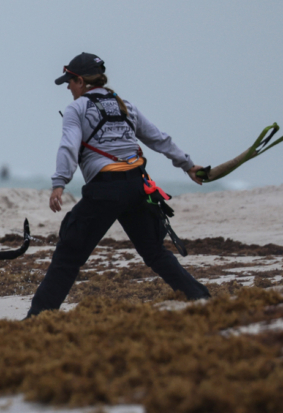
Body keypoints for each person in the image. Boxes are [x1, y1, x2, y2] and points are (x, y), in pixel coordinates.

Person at [26, 52, 210, 317]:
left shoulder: (76, 109)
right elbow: (159, 138)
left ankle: (39, 316)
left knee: (68, 255)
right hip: (137, 188)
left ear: (80, 80)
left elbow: (68, 145)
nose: (67, 87)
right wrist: (189, 165)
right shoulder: (125, 105)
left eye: (69, 81)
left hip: (105, 191)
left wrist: (59, 183)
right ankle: (200, 297)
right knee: (154, 252)